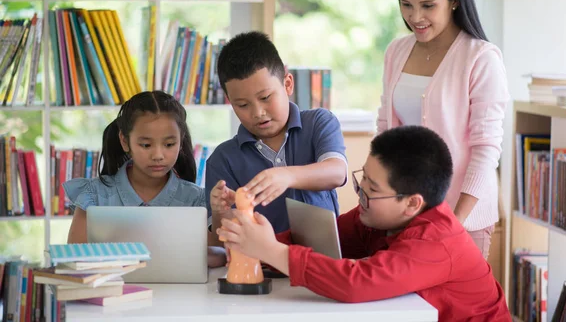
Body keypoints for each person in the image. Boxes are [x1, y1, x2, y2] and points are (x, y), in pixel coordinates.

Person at [217, 126, 511, 322]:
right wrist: (252, 238)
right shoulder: (377, 214)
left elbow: (355, 282)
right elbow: (321, 240)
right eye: (363, 180)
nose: (361, 194)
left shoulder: (437, 241)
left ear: (412, 203)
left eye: (372, 189)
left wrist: (269, 250)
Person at [377, 0, 510, 258]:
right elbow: (386, 129)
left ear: (454, 0)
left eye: (428, 6)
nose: (415, 17)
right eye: (406, 5)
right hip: (407, 212)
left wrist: (456, 223)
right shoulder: (396, 52)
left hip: (464, 217)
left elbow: (486, 148)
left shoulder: (480, 58)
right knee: (409, 305)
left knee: (454, 306)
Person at [206, 31, 347, 235]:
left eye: (265, 98)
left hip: (322, 261)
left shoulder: (318, 123)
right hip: (261, 264)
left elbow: (337, 172)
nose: (258, 113)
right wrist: (220, 212)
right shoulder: (223, 159)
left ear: (287, 84)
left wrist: (287, 176)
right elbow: (219, 243)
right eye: (243, 105)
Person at [64, 91, 224, 266]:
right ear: (125, 141)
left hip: (179, 293)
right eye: (146, 145)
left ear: (181, 140)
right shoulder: (95, 195)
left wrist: (218, 213)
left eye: (169, 144)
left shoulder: (195, 200)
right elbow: (74, 260)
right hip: (112, 292)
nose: (158, 155)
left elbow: (220, 254)